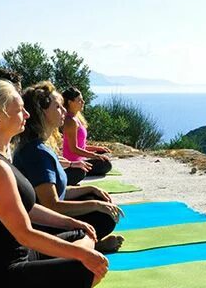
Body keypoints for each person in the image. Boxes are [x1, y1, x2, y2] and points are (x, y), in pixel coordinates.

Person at [0, 79, 108, 288]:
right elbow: (25, 234)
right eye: (20, 110)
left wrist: (72, 223)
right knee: (89, 267)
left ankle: (59, 286)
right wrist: (81, 254)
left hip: (23, 255)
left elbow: (28, 209)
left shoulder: (1, 156)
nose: (27, 115)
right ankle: (60, 286)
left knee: (83, 235)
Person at [14, 81, 125, 252]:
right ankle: (86, 245)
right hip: (42, 226)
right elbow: (52, 205)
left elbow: (60, 191)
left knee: (99, 200)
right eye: (57, 107)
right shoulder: (36, 153)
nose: (64, 111)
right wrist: (95, 205)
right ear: (41, 112)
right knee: (104, 217)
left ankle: (87, 241)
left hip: (46, 215)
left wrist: (91, 189)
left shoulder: (39, 147)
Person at [61, 87, 113, 177]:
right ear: (70, 102)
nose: (83, 102)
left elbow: (82, 146)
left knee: (104, 155)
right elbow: (73, 148)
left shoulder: (76, 118)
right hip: (75, 162)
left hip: (83, 158)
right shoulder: (70, 121)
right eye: (79, 100)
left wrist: (98, 149)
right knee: (106, 164)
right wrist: (95, 156)